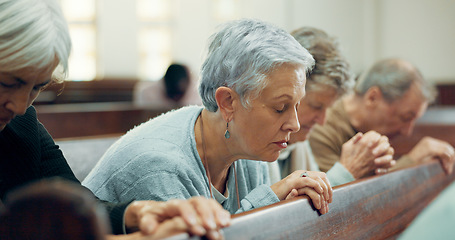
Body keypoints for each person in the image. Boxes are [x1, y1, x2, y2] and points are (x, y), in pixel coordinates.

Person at [0, 0, 230, 239]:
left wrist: (140, 212)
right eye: (7, 83)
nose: (19, 105)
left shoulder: (22, 126)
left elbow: (79, 205)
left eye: (37, 87)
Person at [83, 18, 333, 216]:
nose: (295, 124)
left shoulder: (252, 147)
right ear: (228, 102)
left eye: (297, 106)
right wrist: (270, 197)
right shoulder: (159, 167)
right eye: (280, 108)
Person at [267, 27, 395, 187]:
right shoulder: (255, 146)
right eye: (316, 106)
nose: (322, 121)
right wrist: (348, 171)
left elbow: (313, 198)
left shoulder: (299, 141)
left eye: (328, 108)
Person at [308, 58, 455, 180]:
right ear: (372, 98)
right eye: (405, 118)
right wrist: (412, 161)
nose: (407, 132)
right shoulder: (320, 126)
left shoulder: (373, 130)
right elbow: (339, 199)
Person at [134, 63, 202, 109]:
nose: (176, 98)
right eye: (173, 95)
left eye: (179, 95)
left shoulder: (200, 93)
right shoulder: (147, 93)